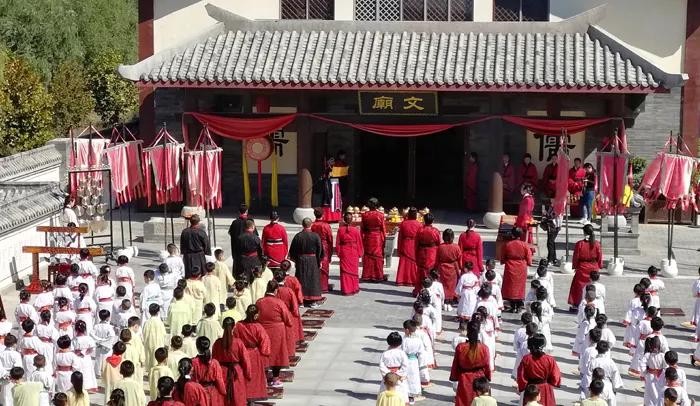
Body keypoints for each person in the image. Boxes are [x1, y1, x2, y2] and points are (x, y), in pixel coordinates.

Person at [256, 280, 292, 388]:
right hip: (277, 332)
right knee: (277, 354)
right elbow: (288, 319)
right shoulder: (279, 303)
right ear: (276, 290)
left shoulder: (259, 302)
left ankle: (264, 376)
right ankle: (275, 378)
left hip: (262, 330)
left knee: (264, 352)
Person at [233, 305, 271, 402]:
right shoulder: (258, 327)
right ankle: (252, 398)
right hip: (254, 354)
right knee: (254, 377)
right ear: (256, 315)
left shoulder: (239, 325)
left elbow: (235, 339)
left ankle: (243, 396)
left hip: (242, 353)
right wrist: (264, 352)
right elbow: (265, 341)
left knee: (243, 376)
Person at [449, 320, 491, 406]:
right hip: (479, 379)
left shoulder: (461, 347)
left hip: (464, 378)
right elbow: (487, 365)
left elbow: (455, 365)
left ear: (467, 330)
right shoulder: (484, 348)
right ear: (478, 331)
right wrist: (487, 377)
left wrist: (454, 377)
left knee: (463, 401)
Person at [213, 317, 251, 406]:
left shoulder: (217, 343)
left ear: (222, 326)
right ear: (234, 327)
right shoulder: (238, 343)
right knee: (238, 398)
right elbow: (246, 360)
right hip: (236, 372)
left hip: (222, 372)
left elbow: (214, 360)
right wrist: (248, 374)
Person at [517, 333, 561, 406]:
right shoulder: (549, 359)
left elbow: (521, 376)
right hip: (546, 389)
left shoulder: (526, 359)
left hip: (531, 389)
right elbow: (555, 376)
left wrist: (522, 386)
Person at [289, 218, 324, 307]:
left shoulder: (298, 236)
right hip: (312, 260)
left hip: (301, 260)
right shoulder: (315, 236)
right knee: (312, 279)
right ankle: (313, 301)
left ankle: (301, 300)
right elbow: (320, 249)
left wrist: (296, 260)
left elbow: (292, 251)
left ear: (302, 225)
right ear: (311, 224)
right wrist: (319, 260)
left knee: (301, 279)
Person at [567, 224, 602, 311]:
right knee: (593, 286)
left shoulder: (580, 244)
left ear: (584, 232)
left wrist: (575, 266)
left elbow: (576, 257)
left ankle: (576, 304)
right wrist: (599, 266)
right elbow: (599, 257)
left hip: (582, 267)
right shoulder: (597, 244)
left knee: (578, 287)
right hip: (593, 267)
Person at [501, 228, 532, 312]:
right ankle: (519, 304)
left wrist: (504, 261)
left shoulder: (508, 244)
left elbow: (503, 257)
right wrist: (529, 263)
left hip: (510, 266)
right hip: (521, 267)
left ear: (512, 234)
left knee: (510, 286)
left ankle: (512, 304)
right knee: (520, 286)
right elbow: (529, 257)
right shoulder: (524, 245)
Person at [191, 337, 227, 406]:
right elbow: (219, 380)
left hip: (199, 392)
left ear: (197, 348)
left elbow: (193, 379)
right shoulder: (214, 363)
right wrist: (224, 392)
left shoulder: (193, 362)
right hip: (213, 393)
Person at [336, 211, 363, 295]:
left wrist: (339, 252)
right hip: (353, 251)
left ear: (344, 219)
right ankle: (354, 288)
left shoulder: (340, 230)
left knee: (345, 272)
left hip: (344, 251)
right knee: (354, 271)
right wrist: (360, 253)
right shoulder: (356, 230)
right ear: (351, 220)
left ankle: (346, 289)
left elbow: (338, 243)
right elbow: (359, 242)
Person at [361, 197, 386, 282]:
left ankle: (367, 275)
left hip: (368, 236)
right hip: (377, 237)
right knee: (377, 256)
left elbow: (362, 229)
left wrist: (362, 238)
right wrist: (384, 239)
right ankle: (378, 276)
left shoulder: (365, 215)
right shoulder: (381, 215)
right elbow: (383, 229)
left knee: (368, 256)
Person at [414, 213, 440, 294]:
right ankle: (431, 290)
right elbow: (438, 243)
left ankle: (419, 289)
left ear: (424, 220)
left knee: (421, 271)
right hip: (432, 252)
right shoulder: (435, 231)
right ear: (433, 221)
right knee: (431, 271)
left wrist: (416, 253)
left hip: (422, 251)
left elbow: (416, 243)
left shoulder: (420, 230)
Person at [395, 207, 421, 287]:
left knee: (404, 262)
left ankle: (401, 279)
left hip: (405, 243)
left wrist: (399, 248)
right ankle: (413, 280)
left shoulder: (403, 223)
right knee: (413, 263)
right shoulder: (419, 224)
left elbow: (400, 237)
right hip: (414, 244)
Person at [311, 208, 334, 293]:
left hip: (314, 247)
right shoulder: (326, 226)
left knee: (315, 267)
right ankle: (324, 286)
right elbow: (330, 239)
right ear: (323, 214)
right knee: (324, 267)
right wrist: (331, 251)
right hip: (324, 247)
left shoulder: (312, 225)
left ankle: (315, 286)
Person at [436, 229, 462, 304]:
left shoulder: (440, 247)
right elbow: (459, 258)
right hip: (453, 267)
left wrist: (436, 268)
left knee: (443, 284)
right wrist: (460, 267)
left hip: (442, 267)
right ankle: (451, 297)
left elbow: (437, 259)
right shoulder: (456, 247)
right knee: (452, 284)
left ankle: (444, 297)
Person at [228, 203, 254, 273]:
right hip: (248, 250)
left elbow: (230, 233)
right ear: (247, 211)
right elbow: (255, 235)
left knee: (238, 269)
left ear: (239, 212)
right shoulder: (250, 221)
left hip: (237, 250)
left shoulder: (235, 222)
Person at [143, 304, 167, 372]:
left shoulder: (147, 322)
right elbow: (164, 334)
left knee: (149, 359)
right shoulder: (160, 322)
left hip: (149, 344)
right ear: (158, 312)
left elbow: (144, 334)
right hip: (158, 344)